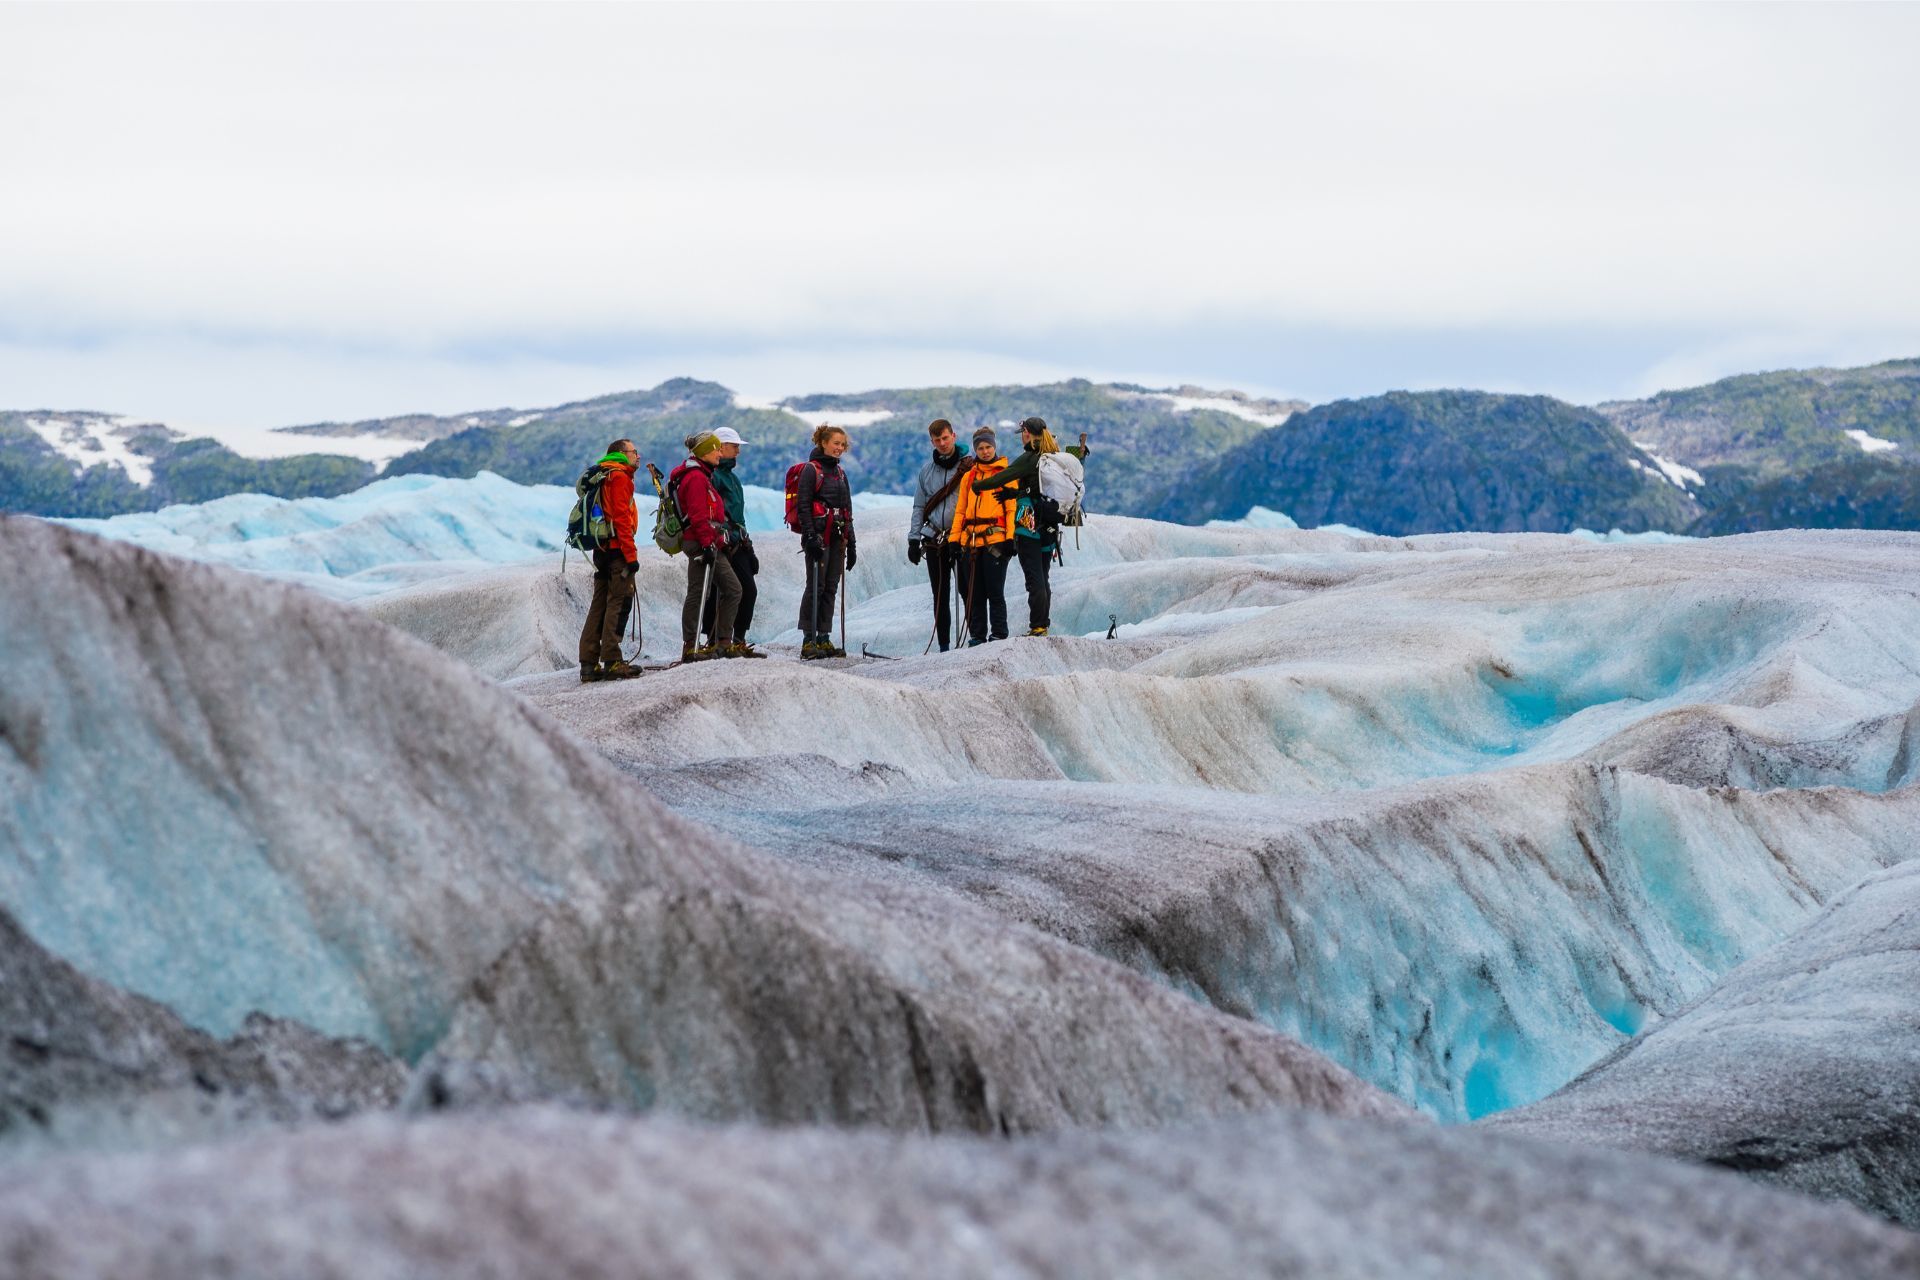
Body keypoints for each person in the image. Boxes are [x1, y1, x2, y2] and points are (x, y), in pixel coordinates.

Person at [967, 415, 1084, 637]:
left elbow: (1002, 477)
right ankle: (1042, 624)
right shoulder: (1052, 455)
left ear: (1027, 433)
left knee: (1034, 578)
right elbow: (1035, 489)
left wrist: (977, 485)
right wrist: (1014, 493)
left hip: (1028, 524)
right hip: (1049, 524)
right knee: (1043, 577)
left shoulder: (1030, 457)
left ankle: (1037, 626)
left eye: (1022, 433)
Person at [669, 432, 743, 662]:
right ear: (705, 452)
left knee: (721, 590)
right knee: (704, 591)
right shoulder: (696, 478)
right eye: (716, 449)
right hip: (701, 543)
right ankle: (694, 646)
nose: (720, 453)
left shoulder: (701, 475)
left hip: (706, 541)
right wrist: (708, 544)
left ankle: (718, 643)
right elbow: (699, 517)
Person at [576, 439, 644, 682]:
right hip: (617, 550)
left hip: (601, 549)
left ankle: (588, 663)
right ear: (622, 454)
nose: (638, 455)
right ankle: (612, 661)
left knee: (599, 605)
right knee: (618, 602)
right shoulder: (619, 477)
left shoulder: (603, 475)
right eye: (634, 452)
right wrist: (631, 555)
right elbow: (621, 518)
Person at [907, 418, 972, 652]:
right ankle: (944, 646)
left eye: (945, 438)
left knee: (967, 589)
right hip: (934, 538)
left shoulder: (968, 468)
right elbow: (919, 506)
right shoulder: (927, 471)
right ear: (932, 442)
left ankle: (976, 638)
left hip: (962, 538)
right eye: (938, 440)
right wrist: (914, 539)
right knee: (940, 594)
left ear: (953, 436)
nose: (942, 443)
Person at [701, 426, 764, 657]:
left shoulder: (731, 478)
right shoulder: (715, 476)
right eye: (735, 446)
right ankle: (722, 640)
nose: (738, 451)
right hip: (724, 541)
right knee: (733, 590)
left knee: (743, 590)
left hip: (737, 541)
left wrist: (748, 545)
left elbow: (738, 515)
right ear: (721, 446)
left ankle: (733, 639)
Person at [948, 425, 1014, 646]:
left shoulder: (1005, 475)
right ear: (975, 450)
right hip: (970, 542)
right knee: (974, 593)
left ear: (994, 446)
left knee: (995, 591)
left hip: (996, 541)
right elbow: (960, 511)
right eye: (981, 448)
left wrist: (1010, 538)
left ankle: (999, 634)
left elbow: (1011, 509)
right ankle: (977, 636)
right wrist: (954, 540)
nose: (985, 452)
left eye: (988, 447)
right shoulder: (969, 477)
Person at [795, 423, 855, 659]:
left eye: (842, 445)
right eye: (835, 443)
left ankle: (823, 637)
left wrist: (852, 543)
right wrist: (810, 536)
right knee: (816, 586)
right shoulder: (811, 470)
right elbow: (803, 505)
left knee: (830, 586)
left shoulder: (840, 473)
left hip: (837, 537)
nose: (839, 448)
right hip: (819, 537)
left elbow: (847, 509)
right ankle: (808, 640)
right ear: (823, 443)